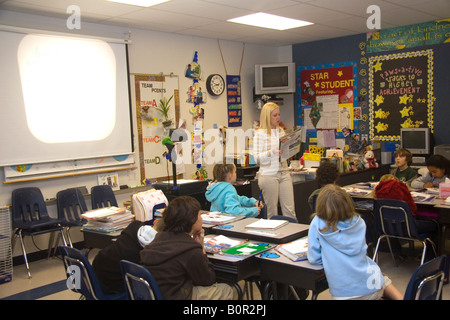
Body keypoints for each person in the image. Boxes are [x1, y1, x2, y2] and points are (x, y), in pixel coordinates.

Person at [308, 184, 403, 300]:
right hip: (372, 286)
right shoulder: (359, 221)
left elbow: (314, 258)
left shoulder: (317, 223)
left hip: (344, 294)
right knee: (383, 279)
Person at [140, 196, 234, 300]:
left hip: (158, 294)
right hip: (177, 295)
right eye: (199, 215)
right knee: (225, 289)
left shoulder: (159, 238)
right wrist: (201, 248)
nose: (202, 218)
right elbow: (208, 280)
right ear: (192, 220)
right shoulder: (189, 249)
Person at [253, 102, 296, 220]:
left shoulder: (280, 131)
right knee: (271, 213)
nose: (278, 118)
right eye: (275, 115)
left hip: (284, 171)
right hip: (269, 175)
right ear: (267, 117)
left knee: (290, 211)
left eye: (279, 114)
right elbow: (256, 158)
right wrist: (272, 152)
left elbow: (284, 153)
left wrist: (291, 148)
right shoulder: (259, 134)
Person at [92, 220, 158, 294]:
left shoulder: (134, 225)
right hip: (112, 286)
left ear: (155, 221)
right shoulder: (154, 250)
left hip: (95, 269)